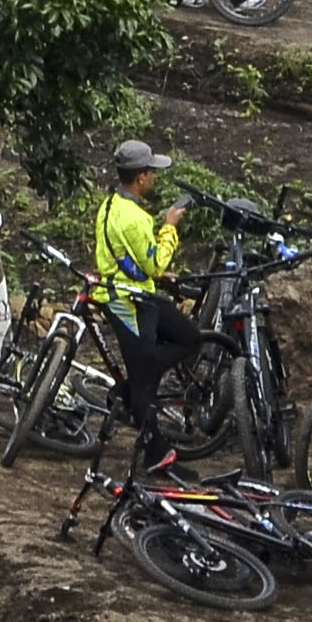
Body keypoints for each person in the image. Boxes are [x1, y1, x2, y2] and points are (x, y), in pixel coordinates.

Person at [92, 139, 196, 469]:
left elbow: (129, 258)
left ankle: (134, 386)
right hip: (128, 302)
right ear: (140, 178)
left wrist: (157, 274)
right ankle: (156, 454)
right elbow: (152, 263)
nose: (155, 177)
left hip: (133, 292)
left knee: (187, 337)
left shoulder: (110, 205)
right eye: (152, 172)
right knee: (147, 375)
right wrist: (169, 228)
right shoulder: (136, 219)